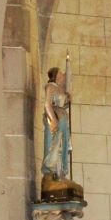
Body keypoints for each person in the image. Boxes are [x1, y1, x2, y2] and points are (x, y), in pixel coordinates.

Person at [41, 59, 72, 187]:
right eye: (60, 75)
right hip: (55, 120)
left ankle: (61, 172)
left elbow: (62, 104)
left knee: (62, 145)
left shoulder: (60, 89)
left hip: (63, 119)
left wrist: (68, 99)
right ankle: (50, 171)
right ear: (55, 76)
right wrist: (53, 120)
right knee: (54, 145)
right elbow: (47, 104)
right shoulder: (50, 87)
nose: (62, 76)